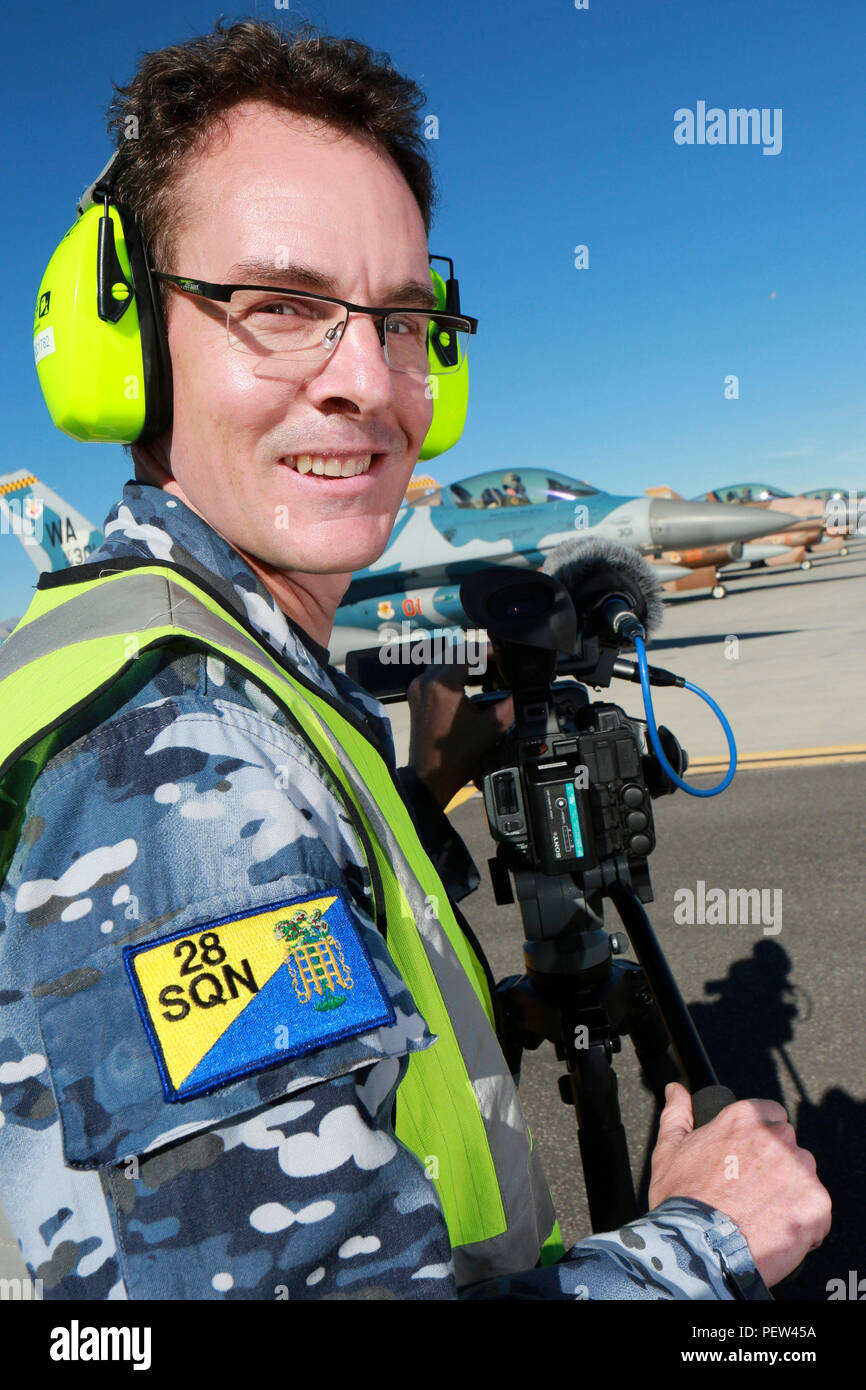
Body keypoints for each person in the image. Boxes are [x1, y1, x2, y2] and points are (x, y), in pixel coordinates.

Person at [0, 19, 829, 1301]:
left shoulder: (227, 682)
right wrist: (701, 1244)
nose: (366, 381)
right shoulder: (177, 763)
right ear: (126, 350)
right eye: (278, 306)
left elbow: (323, 981)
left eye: (398, 321)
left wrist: (418, 792)